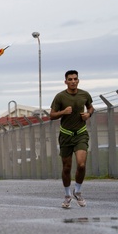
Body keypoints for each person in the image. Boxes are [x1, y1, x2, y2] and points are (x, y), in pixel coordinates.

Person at [50, 69, 95, 209]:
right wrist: (63, 112)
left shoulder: (84, 94)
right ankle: (67, 195)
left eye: (75, 79)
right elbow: (51, 115)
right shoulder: (60, 97)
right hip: (65, 135)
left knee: (81, 164)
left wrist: (88, 115)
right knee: (67, 167)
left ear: (78, 80)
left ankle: (78, 191)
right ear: (66, 82)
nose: (73, 81)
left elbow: (91, 108)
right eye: (70, 79)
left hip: (81, 133)